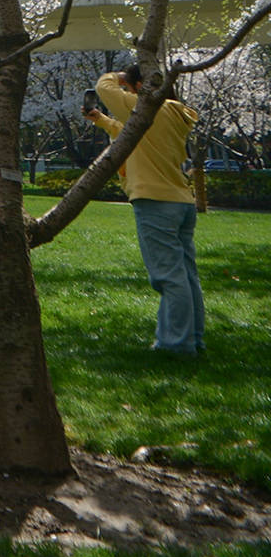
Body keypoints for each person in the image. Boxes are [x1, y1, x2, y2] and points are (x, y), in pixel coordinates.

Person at [85, 62, 205, 356]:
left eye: (129, 88)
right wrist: (103, 120)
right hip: (180, 200)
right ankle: (193, 338)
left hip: (155, 201)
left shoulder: (147, 106)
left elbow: (103, 87)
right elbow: (137, 136)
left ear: (140, 86)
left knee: (169, 276)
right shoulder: (173, 111)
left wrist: (119, 77)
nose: (125, 92)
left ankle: (175, 345)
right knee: (186, 275)